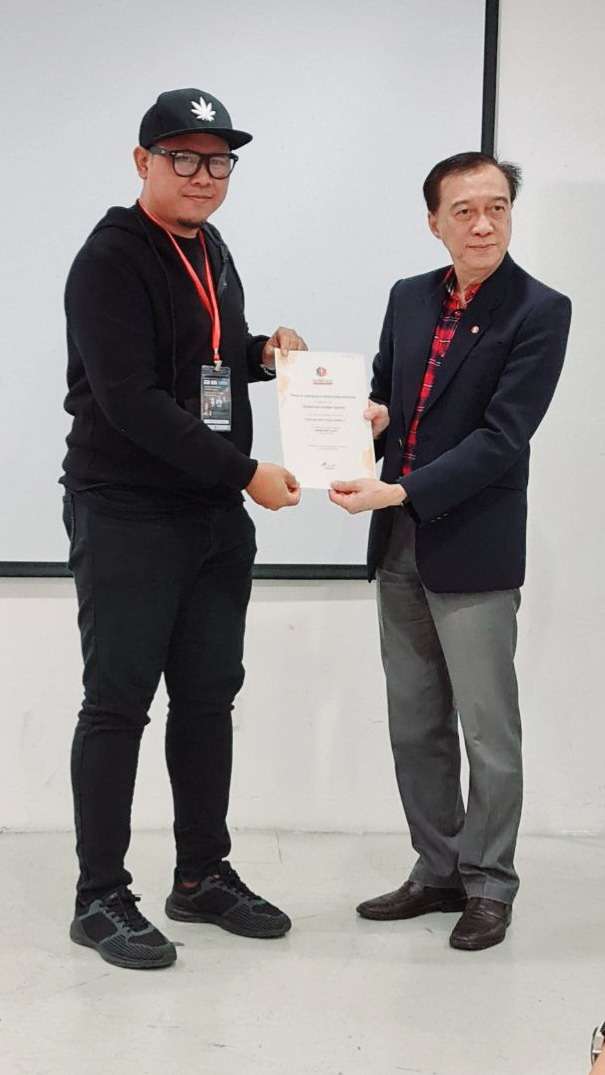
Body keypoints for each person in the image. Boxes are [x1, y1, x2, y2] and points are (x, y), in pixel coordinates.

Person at [61, 87, 306, 970]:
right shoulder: (109, 259)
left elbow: (203, 355)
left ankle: (201, 875)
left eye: (218, 161)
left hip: (209, 516)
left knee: (207, 699)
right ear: (143, 162)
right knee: (117, 703)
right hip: (127, 510)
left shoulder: (210, 247)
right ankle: (99, 896)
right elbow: (130, 399)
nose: (204, 176)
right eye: (183, 158)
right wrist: (245, 471)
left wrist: (260, 354)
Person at [329, 152, 571, 951]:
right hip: (399, 542)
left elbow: (502, 437)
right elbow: (390, 395)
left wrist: (399, 489)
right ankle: (436, 869)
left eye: (496, 207)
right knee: (414, 723)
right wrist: (368, 419)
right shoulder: (408, 298)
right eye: (463, 210)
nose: (482, 224)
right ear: (433, 221)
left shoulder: (539, 309)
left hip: (471, 544)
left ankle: (489, 882)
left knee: (487, 731)